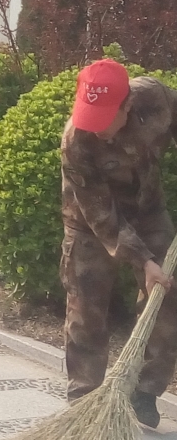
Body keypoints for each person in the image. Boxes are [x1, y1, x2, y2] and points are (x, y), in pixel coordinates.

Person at [60, 59, 177, 427]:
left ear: (127, 105)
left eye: (104, 118)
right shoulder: (76, 140)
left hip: (148, 212)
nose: (95, 128)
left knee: (167, 298)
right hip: (90, 223)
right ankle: (84, 402)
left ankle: (144, 392)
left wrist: (154, 264)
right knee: (86, 309)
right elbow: (100, 214)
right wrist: (144, 261)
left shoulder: (155, 99)